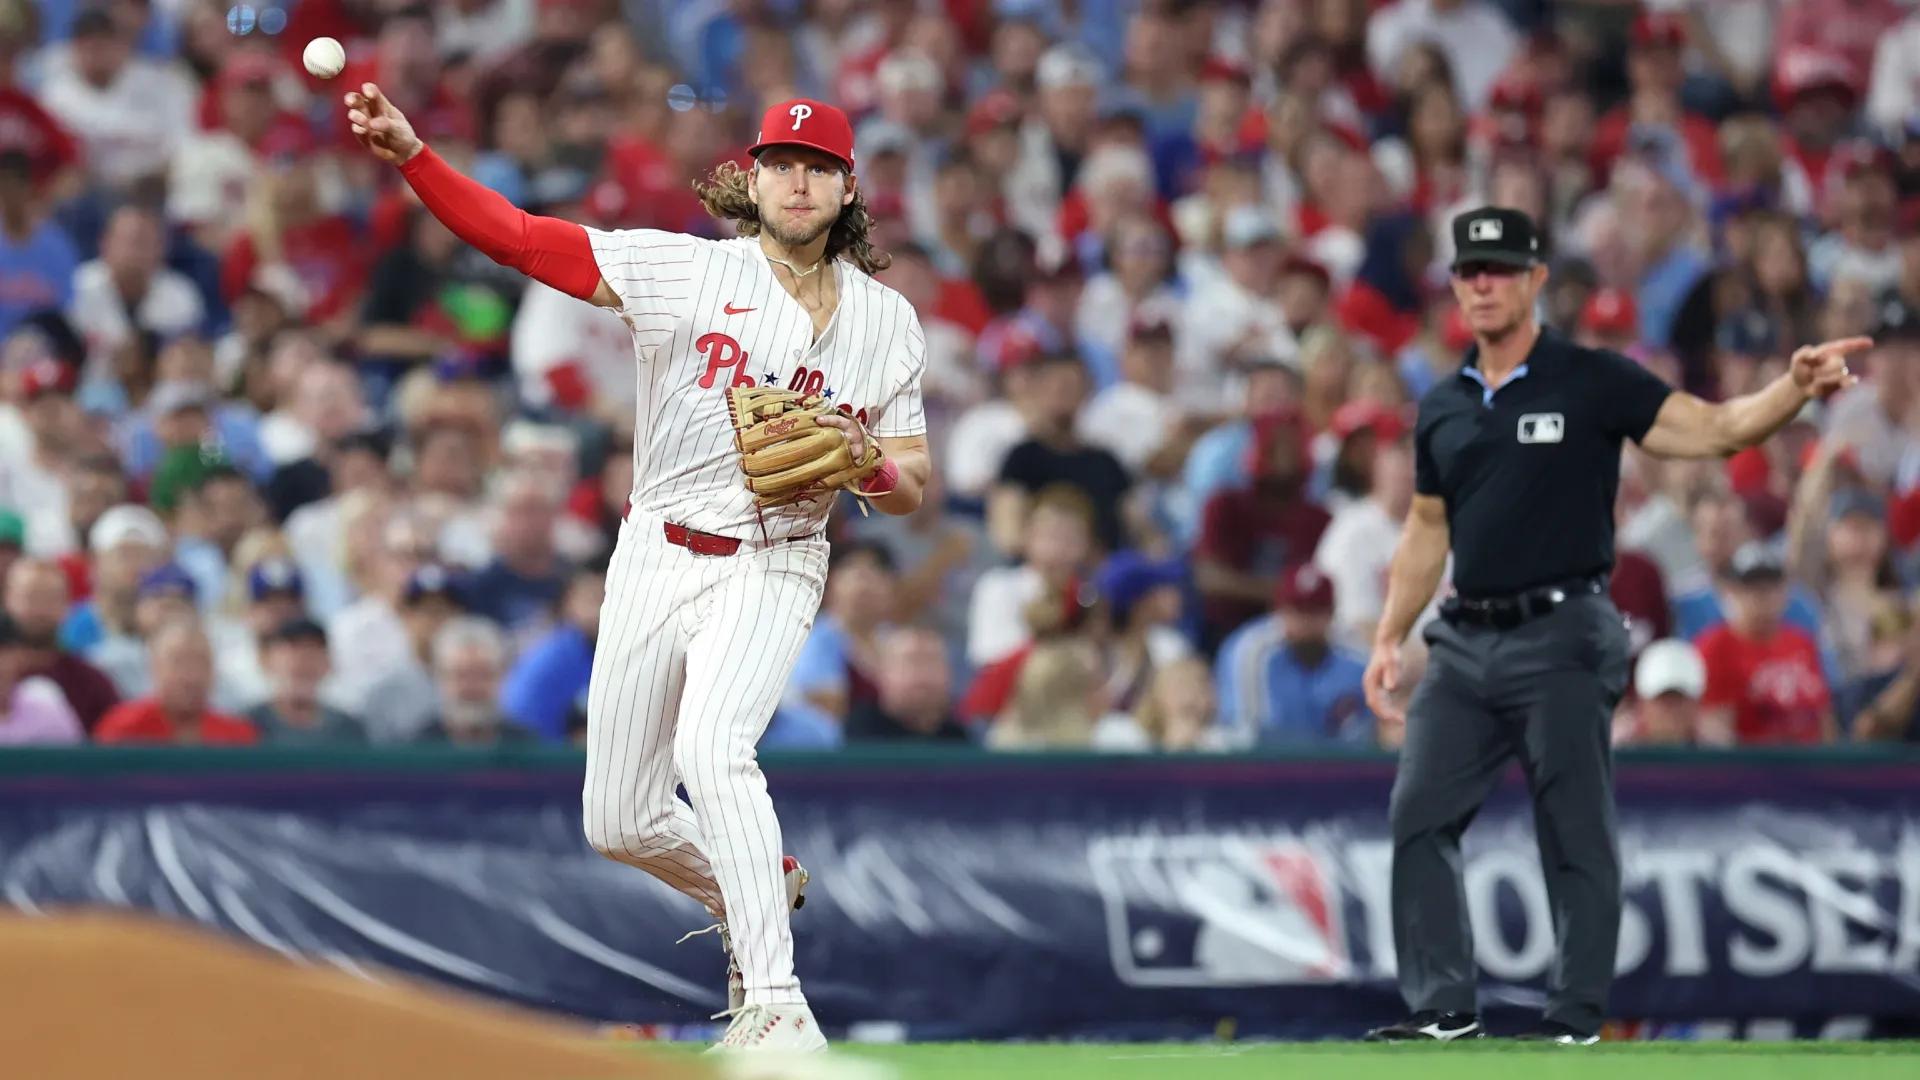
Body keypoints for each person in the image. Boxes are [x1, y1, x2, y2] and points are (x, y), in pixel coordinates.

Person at [346, 85, 931, 1050]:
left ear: (846, 188)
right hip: (658, 552)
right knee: (617, 816)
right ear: (752, 175)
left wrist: (867, 463)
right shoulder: (687, 273)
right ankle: (757, 881)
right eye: (780, 163)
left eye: (817, 167)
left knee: (713, 749)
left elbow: (911, 481)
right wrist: (417, 157)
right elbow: (522, 239)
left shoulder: (887, 322)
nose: (797, 179)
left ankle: (777, 1008)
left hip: (777, 560)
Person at [1361, 207, 1864, 1044]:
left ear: (1535, 281)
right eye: (1469, 271)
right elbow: (1424, 525)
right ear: (1454, 286)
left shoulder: (1591, 377)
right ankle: (1443, 1010)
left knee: (1574, 826)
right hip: (1462, 638)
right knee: (1418, 810)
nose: (1482, 283)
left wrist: (1791, 389)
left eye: (1499, 268)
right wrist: (1388, 632)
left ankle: (1577, 1021)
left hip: (1564, 630)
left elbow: (1710, 430)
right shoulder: (1444, 405)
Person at [246, 618, 368, 745]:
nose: (305, 660)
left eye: (314, 650)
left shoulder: (349, 730)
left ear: (328, 663)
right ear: (265, 661)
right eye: (294, 650)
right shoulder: (246, 726)